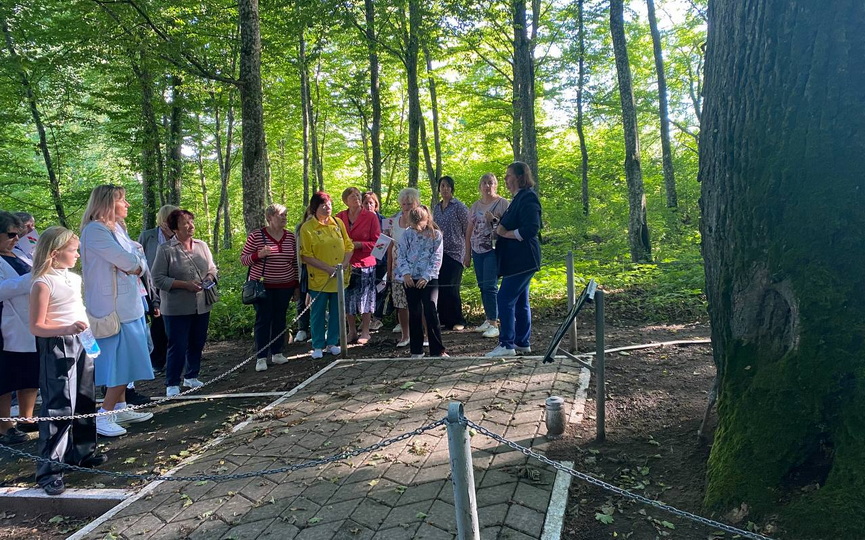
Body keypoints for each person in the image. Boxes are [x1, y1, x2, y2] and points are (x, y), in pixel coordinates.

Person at [29, 226, 107, 496]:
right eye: (73, 250)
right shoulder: (42, 282)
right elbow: (37, 327)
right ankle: (50, 470)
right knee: (59, 404)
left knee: (85, 397)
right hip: (57, 344)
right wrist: (64, 330)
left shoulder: (74, 278)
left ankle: (83, 453)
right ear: (54, 253)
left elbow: (77, 307)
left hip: (82, 340)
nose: (77, 255)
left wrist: (86, 332)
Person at [80, 184, 154, 437]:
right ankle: (104, 414)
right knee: (120, 362)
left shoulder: (117, 229)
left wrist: (136, 260)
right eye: (123, 200)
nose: (127, 205)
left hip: (130, 306)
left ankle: (120, 407)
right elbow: (131, 262)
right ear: (108, 204)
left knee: (129, 360)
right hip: (113, 310)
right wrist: (136, 260)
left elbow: (138, 262)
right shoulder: (95, 231)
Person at [152, 210, 218, 397]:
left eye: (191, 221)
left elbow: (212, 267)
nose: (190, 226)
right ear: (175, 228)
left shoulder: (202, 245)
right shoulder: (166, 249)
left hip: (202, 304)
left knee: (197, 341)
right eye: (185, 223)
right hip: (175, 307)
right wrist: (184, 285)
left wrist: (209, 277)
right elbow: (157, 278)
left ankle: (192, 375)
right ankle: (172, 382)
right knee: (177, 344)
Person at [486, 162, 542, 357]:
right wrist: (497, 227)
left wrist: (505, 232)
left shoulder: (528, 198)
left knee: (504, 298)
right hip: (514, 261)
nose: (506, 180)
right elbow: (505, 226)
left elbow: (531, 228)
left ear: (519, 177)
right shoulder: (517, 199)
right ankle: (522, 342)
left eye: (508, 176)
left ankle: (506, 344)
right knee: (520, 301)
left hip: (523, 260)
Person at [240, 203, 299, 372]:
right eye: (280, 214)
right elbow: (244, 260)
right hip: (263, 287)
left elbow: (295, 263)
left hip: (285, 285)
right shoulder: (257, 236)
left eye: (285, 215)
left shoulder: (289, 237)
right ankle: (260, 356)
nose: (284, 218)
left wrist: (296, 286)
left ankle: (277, 352)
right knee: (263, 319)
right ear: (269, 217)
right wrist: (259, 254)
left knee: (280, 319)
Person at [299, 191, 353, 359]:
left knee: (337, 311)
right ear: (315, 207)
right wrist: (328, 269)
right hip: (320, 279)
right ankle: (317, 345)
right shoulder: (307, 228)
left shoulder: (337, 223)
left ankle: (333, 342)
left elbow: (349, 245)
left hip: (339, 277)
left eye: (329, 204)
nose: (327, 208)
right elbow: (306, 255)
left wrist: (343, 265)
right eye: (324, 205)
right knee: (318, 312)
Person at [0, 212, 38, 444]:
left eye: (18, 234)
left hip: (30, 323)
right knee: (6, 377)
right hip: (6, 326)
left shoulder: (21, 255)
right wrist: (30, 281)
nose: (16, 238)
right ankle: (4, 426)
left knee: (30, 373)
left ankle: (27, 417)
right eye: (10, 234)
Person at [395, 206, 446, 358]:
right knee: (414, 312)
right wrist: (406, 274)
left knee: (430, 309)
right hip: (410, 279)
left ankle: (437, 350)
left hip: (428, 279)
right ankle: (416, 350)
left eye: (420, 225)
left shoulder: (436, 235)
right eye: (413, 225)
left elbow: (437, 257)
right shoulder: (407, 234)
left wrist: (427, 276)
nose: (417, 228)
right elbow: (401, 254)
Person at [464, 173, 509, 339]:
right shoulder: (475, 206)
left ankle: (494, 324)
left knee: (490, 286)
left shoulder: (503, 203)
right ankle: (489, 317)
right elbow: (469, 230)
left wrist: (494, 219)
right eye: (484, 183)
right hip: (477, 250)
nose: (487, 186)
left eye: (490, 183)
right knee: (482, 285)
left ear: (496, 185)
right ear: (480, 186)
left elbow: (508, 225)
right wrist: (467, 253)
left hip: (493, 249)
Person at [336, 187, 381, 344]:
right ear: (345, 200)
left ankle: (366, 331)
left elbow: (377, 242)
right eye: (351, 195)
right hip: (345, 263)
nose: (355, 197)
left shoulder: (370, 217)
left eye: (357, 195)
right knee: (347, 298)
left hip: (365, 263)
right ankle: (352, 331)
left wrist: (358, 245)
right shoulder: (339, 217)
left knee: (365, 298)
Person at [138, 204, 179, 374]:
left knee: (176, 324)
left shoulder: (179, 237)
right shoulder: (147, 236)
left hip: (174, 285)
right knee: (158, 325)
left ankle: (176, 360)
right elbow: (139, 259)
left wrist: (173, 237)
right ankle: (157, 361)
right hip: (152, 287)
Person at [432, 175, 469, 330]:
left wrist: (468, 252)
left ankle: (458, 320)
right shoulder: (436, 207)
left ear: (452, 188)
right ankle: (445, 319)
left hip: (456, 251)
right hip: (439, 252)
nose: (445, 189)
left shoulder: (459, 206)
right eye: (442, 186)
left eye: (447, 186)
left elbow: (468, 228)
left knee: (453, 286)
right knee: (440, 285)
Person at [387, 188, 421, 347]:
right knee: (401, 303)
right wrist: (389, 270)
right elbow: (389, 245)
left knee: (419, 303)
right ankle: (405, 335)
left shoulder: (422, 221)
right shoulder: (394, 221)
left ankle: (424, 335)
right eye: (404, 203)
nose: (407, 206)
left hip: (417, 268)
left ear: (417, 203)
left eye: (410, 203)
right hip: (397, 268)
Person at [362, 191, 387, 331]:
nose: (369, 205)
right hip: (365, 261)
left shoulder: (383, 220)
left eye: (371, 203)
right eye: (366, 203)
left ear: (376, 204)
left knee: (380, 288)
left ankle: (377, 318)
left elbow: (387, 239)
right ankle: (366, 318)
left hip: (381, 261)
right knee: (366, 290)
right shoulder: (359, 220)